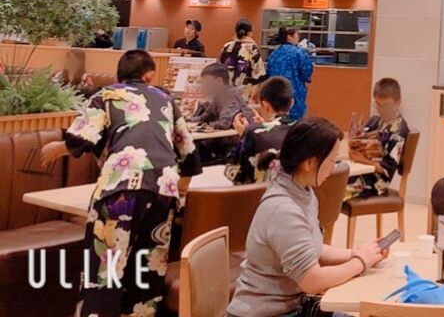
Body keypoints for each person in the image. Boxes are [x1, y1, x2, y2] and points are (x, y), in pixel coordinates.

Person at [39, 49, 202, 317]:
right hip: (164, 191)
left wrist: (57, 148)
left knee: (105, 270)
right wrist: (179, 193)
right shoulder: (165, 99)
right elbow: (189, 155)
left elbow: (84, 138)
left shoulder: (105, 95)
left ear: (118, 77)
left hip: (119, 190)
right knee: (147, 268)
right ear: (150, 76)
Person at [227, 118, 388, 317]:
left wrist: (356, 254)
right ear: (310, 163)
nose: (334, 168)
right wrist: (359, 263)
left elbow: (312, 247)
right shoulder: (283, 210)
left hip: (295, 306)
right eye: (332, 161)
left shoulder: (303, 192)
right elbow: (312, 281)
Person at [347, 77, 411, 198]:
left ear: (398, 103)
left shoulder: (398, 132)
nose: (381, 110)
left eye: (386, 106)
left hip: (376, 183)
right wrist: (355, 140)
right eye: (378, 105)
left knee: (337, 190)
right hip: (361, 173)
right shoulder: (374, 121)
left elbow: (386, 169)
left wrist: (361, 159)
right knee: (331, 180)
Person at [225, 76, 296, 184]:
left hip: (264, 192)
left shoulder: (254, 132)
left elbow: (234, 174)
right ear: (292, 103)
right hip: (296, 190)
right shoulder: (304, 129)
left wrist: (245, 134)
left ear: (264, 105)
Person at [265, 25, 313, 121]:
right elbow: (307, 71)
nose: (298, 37)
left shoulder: (274, 53)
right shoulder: (299, 53)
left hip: (275, 92)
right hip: (295, 92)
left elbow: (269, 72)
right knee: (295, 122)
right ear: (289, 37)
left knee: (276, 119)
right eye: (296, 34)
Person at [189, 63, 252, 130]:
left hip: (236, 135)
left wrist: (203, 125)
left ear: (219, 81)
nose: (203, 87)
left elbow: (225, 123)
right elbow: (206, 116)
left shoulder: (231, 96)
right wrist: (188, 120)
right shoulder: (219, 96)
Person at [220, 17, 266, 94]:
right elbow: (258, 75)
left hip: (226, 89)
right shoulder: (252, 48)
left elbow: (220, 67)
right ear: (249, 33)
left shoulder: (226, 46)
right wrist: (253, 95)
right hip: (244, 90)